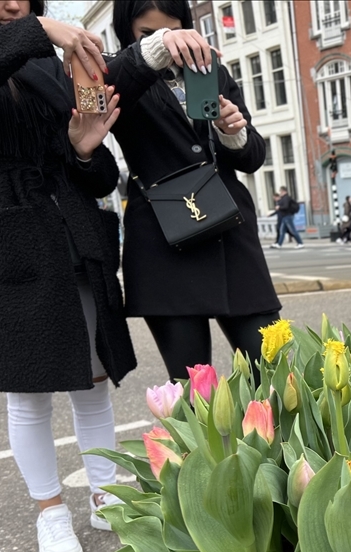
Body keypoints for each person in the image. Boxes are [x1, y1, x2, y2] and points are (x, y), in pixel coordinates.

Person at [0, 0, 138, 552]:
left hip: (71, 229)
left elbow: (94, 172)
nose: (14, 3)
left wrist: (83, 148)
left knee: (94, 382)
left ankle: (105, 493)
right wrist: (38, 30)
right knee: (28, 390)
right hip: (7, 232)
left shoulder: (50, 61)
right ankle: (50, 510)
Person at [106, 0, 281, 383]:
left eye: (172, 30)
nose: (166, 40)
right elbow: (97, 99)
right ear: (127, 31)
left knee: (276, 376)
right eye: (148, 33)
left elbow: (253, 157)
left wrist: (232, 132)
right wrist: (154, 49)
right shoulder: (115, 71)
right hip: (164, 245)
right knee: (193, 393)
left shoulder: (209, 70)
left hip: (230, 237)